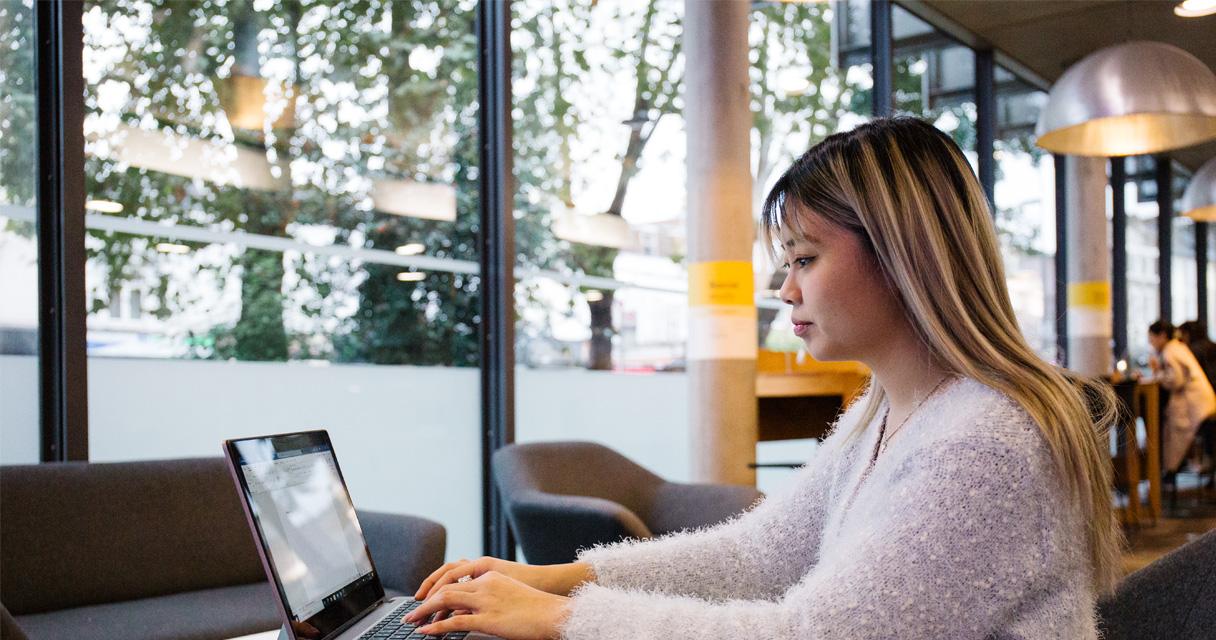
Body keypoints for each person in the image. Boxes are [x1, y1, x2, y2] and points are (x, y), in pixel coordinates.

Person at [402, 117, 1123, 639]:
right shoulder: (891, 409)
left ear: (904, 257)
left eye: (805, 259)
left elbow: (816, 636)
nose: (784, 288)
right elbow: (758, 555)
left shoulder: (985, 439)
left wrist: (563, 619)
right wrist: (555, 578)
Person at [1148, 320, 1216, 474]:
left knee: (1172, 426)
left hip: (1197, 405)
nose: (1150, 342)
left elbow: (1176, 380)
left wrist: (1157, 371)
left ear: (1162, 336)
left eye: (1152, 337)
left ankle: (1169, 470)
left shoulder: (1170, 351)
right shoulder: (1178, 348)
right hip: (1206, 400)